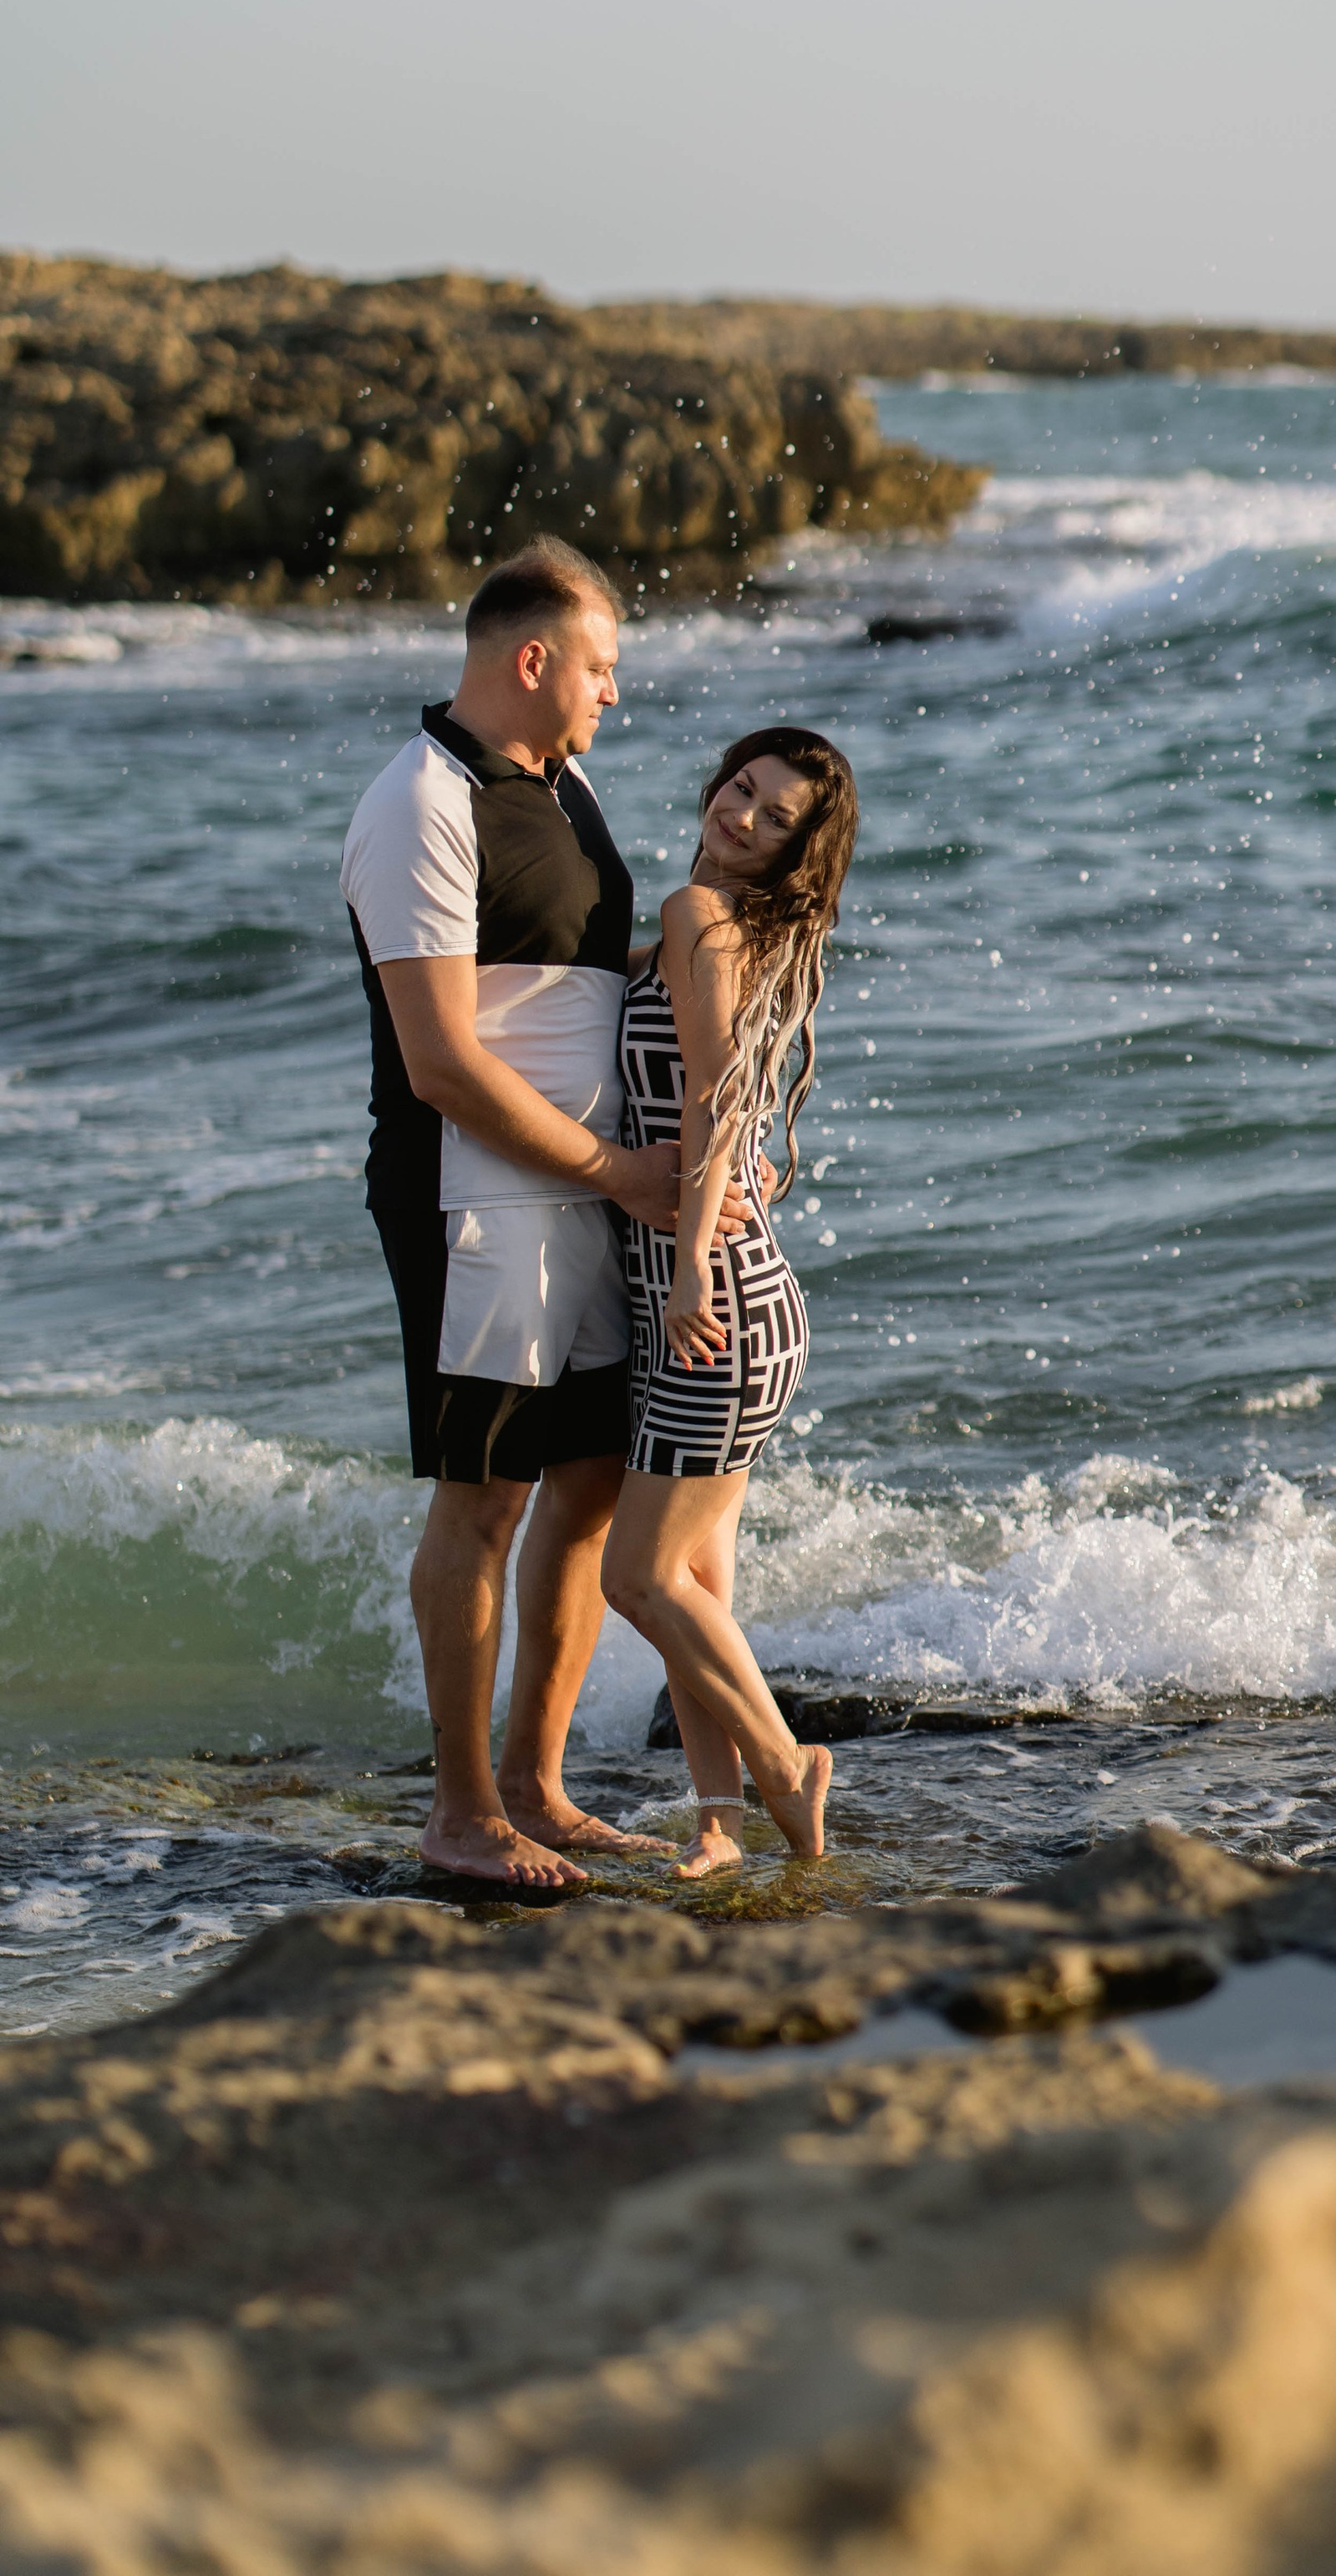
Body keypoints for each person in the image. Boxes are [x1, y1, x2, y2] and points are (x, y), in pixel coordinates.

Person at [340, 535, 759, 1890]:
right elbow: (443, 1063)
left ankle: (535, 1782)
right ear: (534, 660)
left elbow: (571, 977)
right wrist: (626, 1173)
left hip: (584, 1188)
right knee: (483, 1502)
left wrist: (723, 983)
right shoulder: (422, 801)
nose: (613, 692)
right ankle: (461, 1815)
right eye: (601, 667)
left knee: (586, 1484)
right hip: (476, 1199)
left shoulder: (562, 785)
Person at [601, 728, 856, 1871]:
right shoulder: (715, 928)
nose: (742, 815)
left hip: (717, 1308)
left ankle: (787, 1768)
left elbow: (710, 1097)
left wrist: (694, 1260)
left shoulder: (701, 916)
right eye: (741, 788)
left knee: (638, 1577)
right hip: (716, 1306)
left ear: (796, 851)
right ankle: (719, 1821)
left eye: (775, 817)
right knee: (696, 1584)